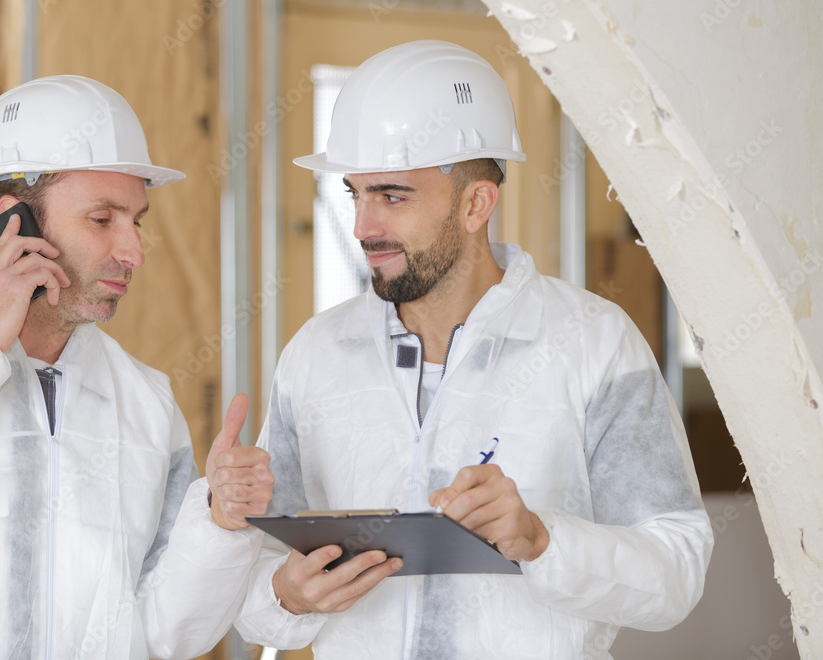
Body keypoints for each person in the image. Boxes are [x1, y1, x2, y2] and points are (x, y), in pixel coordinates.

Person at [234, 40, 713, 658]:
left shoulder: (593, 343)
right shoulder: (318, 354)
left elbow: (676, 575)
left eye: (392, 195)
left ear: (475, 204)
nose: (362, 227)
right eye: (355, 193)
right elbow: (261, 594)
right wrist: (287, 598)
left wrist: (542, 541)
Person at [0, 75, 273, 658]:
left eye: (136, 220)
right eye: (102, 219)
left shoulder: (144, 401)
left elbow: (164, 636)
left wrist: (219, 526)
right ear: (14, 222)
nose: (133, 250)